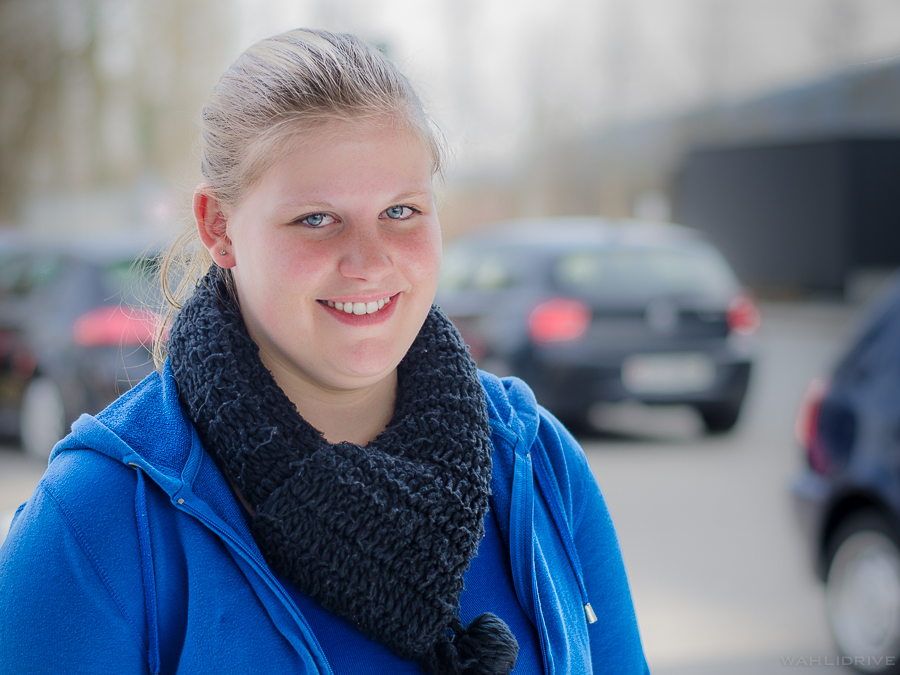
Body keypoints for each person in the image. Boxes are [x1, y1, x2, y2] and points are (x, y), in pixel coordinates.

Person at [0, 29, 649, 675]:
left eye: (401, 211)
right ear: (218, 226)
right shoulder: (99, 519)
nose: (369, 261)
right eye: (316, 218)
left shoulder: (537, 463)